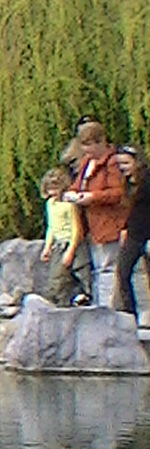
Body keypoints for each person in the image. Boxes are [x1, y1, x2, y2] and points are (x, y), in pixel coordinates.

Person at [64, 119, 130, 308]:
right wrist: (71, 193)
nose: (86, 151)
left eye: (89, 145)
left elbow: (117, 193)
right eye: (83, 146)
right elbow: (77, 186)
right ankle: (101, 305)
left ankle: (108, 310)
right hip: (92, 225)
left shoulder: (112, 163)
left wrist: (91, 197)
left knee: (108, 269)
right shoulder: (87, 163)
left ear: (101, 141)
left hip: (110, 223)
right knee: (98, 269)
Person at [113, 146, 150, 325]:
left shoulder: (147, 181)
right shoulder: (127, 183)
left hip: (147, 234)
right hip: (134, 234)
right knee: (123, 271)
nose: (123, 167)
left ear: (138, 162)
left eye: (126, 163)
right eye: (120, 164)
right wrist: (125, 228)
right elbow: (132, 210)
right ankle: (129, 315)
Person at [40, 167, 87, 306]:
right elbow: (51, 227)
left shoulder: (69, 206)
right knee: (56, 279)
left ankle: (80, 300)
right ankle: (60, 304)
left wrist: (70, 251)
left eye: (55, 189)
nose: (52, 193)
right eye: (49, 189)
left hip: (72, 244)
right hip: (58, 244)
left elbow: (76, 229)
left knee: (80, 275)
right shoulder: (50, 204)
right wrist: (47, 247)